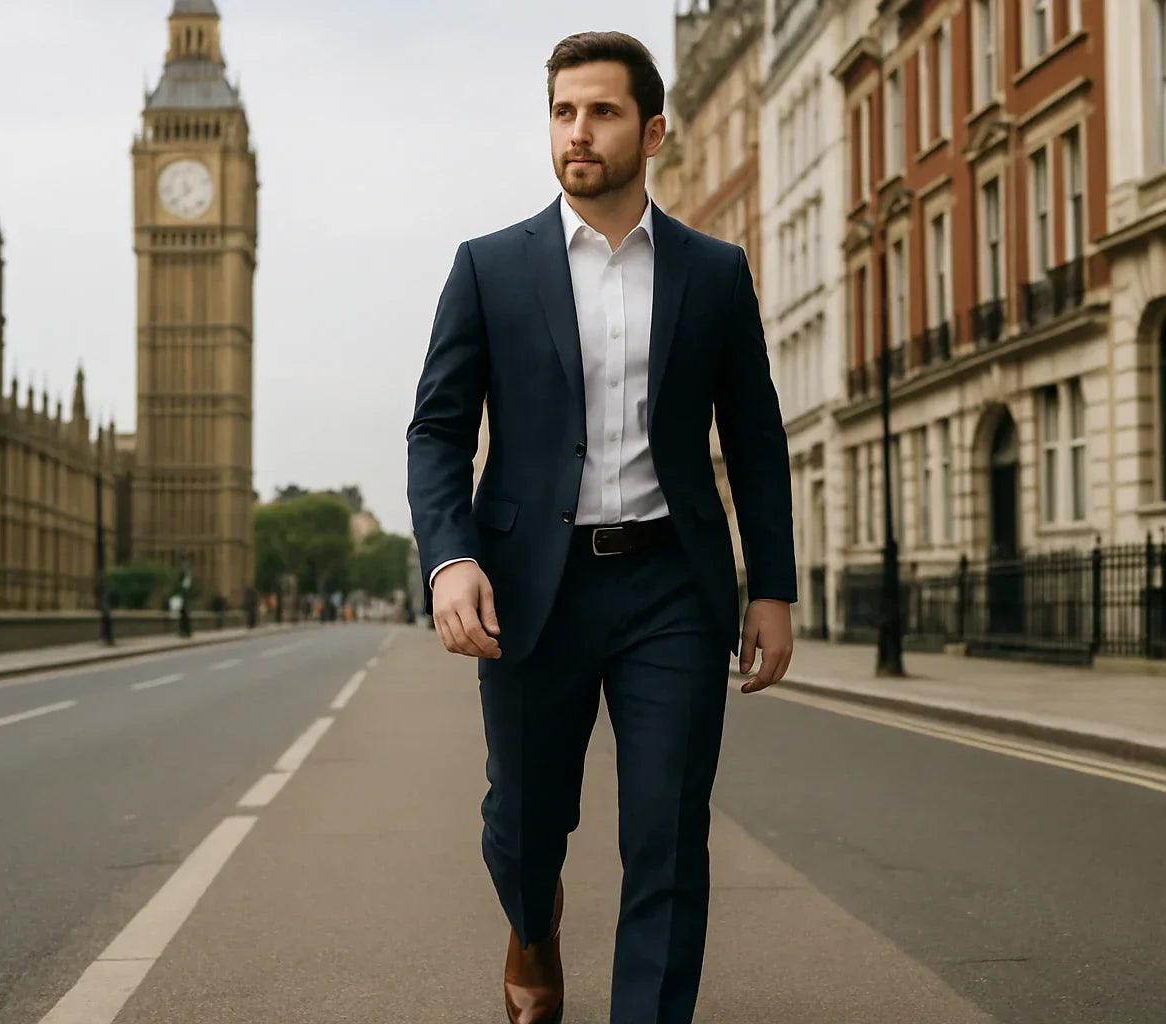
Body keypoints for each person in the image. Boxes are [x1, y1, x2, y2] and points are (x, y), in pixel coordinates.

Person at [406, 30, 796, 1024]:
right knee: (525, 828)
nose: (578, 132)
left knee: (667, 830)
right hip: (534, 587)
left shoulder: (714, 272)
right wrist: (450, 560)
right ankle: (532, 926)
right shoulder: (490, 268)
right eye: (563, 111)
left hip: (673, 585)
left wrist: (775, 588)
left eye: (604, 111)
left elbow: (753, 436)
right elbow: (438, 431)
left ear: (654, 131)